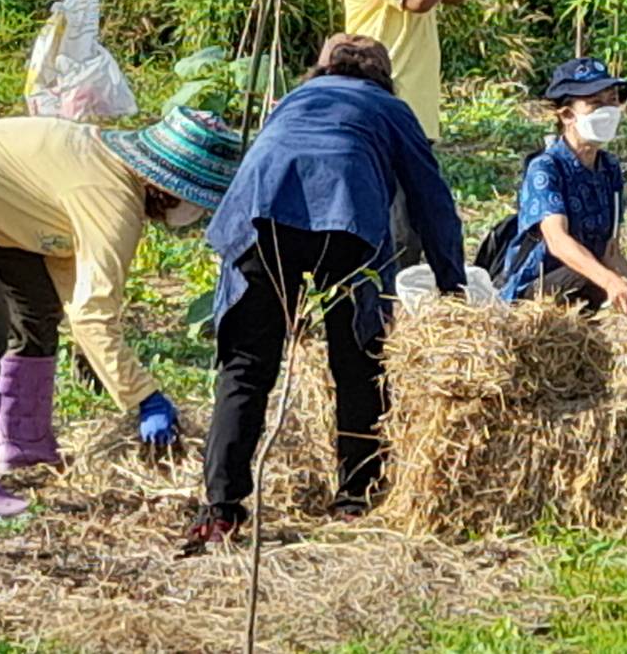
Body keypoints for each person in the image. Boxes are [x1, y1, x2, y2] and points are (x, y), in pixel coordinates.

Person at [191, 35, 468, 544]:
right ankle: (354, 497)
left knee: (247, 366)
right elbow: (433, 202)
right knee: (358, 357)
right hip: (345, 221)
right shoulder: (390, 108)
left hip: (260, 221)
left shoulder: (293, 102)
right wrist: (454, 287)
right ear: (383, 78)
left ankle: (221, 508)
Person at [0, 108, 241, 517]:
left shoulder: (107, 165)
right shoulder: (112, 197)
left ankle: (24, 445)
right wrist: (144, 395)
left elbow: (71, 271)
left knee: (35, 311)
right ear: (171, 188)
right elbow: (93, 316)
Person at [334, 0, 504, 263]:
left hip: (413, 103)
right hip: (386, 98)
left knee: (415, 228)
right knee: (396, 234)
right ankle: (383, 321)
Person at [495, 58, 627, 315]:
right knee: (594, 281)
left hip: (592, 276)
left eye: (612, 100)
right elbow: (558, 241)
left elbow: (611, 251)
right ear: (567, 115)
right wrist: (609, 281)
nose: (607, 110)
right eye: (595, 104)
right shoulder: (546, 167)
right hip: (540, 287)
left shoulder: (609, 168)